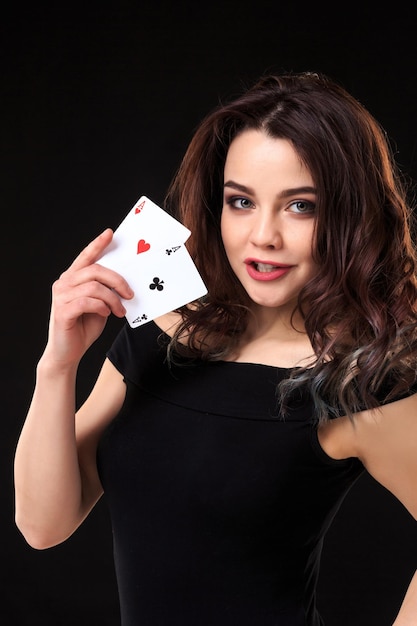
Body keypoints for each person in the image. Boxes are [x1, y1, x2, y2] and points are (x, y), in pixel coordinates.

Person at [14, 71, 417, 625]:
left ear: (349, 216)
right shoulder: (163, 328)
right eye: (241, 202)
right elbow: (42, 525)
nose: (263, 237)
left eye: (301, 206)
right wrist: (57, 365)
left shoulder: (355, 381)